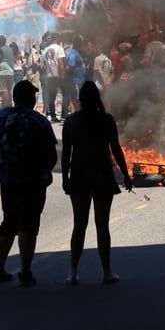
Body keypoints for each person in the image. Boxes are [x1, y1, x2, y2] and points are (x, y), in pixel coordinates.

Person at [0, 78, 58, 286]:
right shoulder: (39, 121)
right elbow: (51, 155)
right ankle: (25, 272)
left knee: (9, 223)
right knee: (28, 225)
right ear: (31, 99)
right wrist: (46, 173)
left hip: (7, 180)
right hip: (33, 181)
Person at [60, 82, 131, 286]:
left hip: (79, 176)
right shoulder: (106, 119)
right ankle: (106, 272)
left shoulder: (71, 121)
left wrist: (65, 178)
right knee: (103, 226)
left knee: (79, 226)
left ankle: (72, 273)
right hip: (102, 175)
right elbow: (116, 149)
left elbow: (66, 154)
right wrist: (126, 174)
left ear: (80, 100)